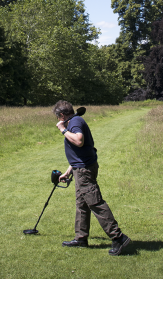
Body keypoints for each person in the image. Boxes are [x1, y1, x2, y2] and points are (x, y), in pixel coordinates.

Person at [53, 100, 130, 256]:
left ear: (61, 115)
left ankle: (119, 238)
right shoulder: (75, 121)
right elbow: (79, 152)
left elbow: (79, 141)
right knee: (81, 204)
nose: (58, 121)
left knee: (95, 202)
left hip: (84, 171)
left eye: (58, 118)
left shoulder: (74, 122)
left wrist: (62, 130)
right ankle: (81, 238)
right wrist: (69, 170)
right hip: (79, 168)